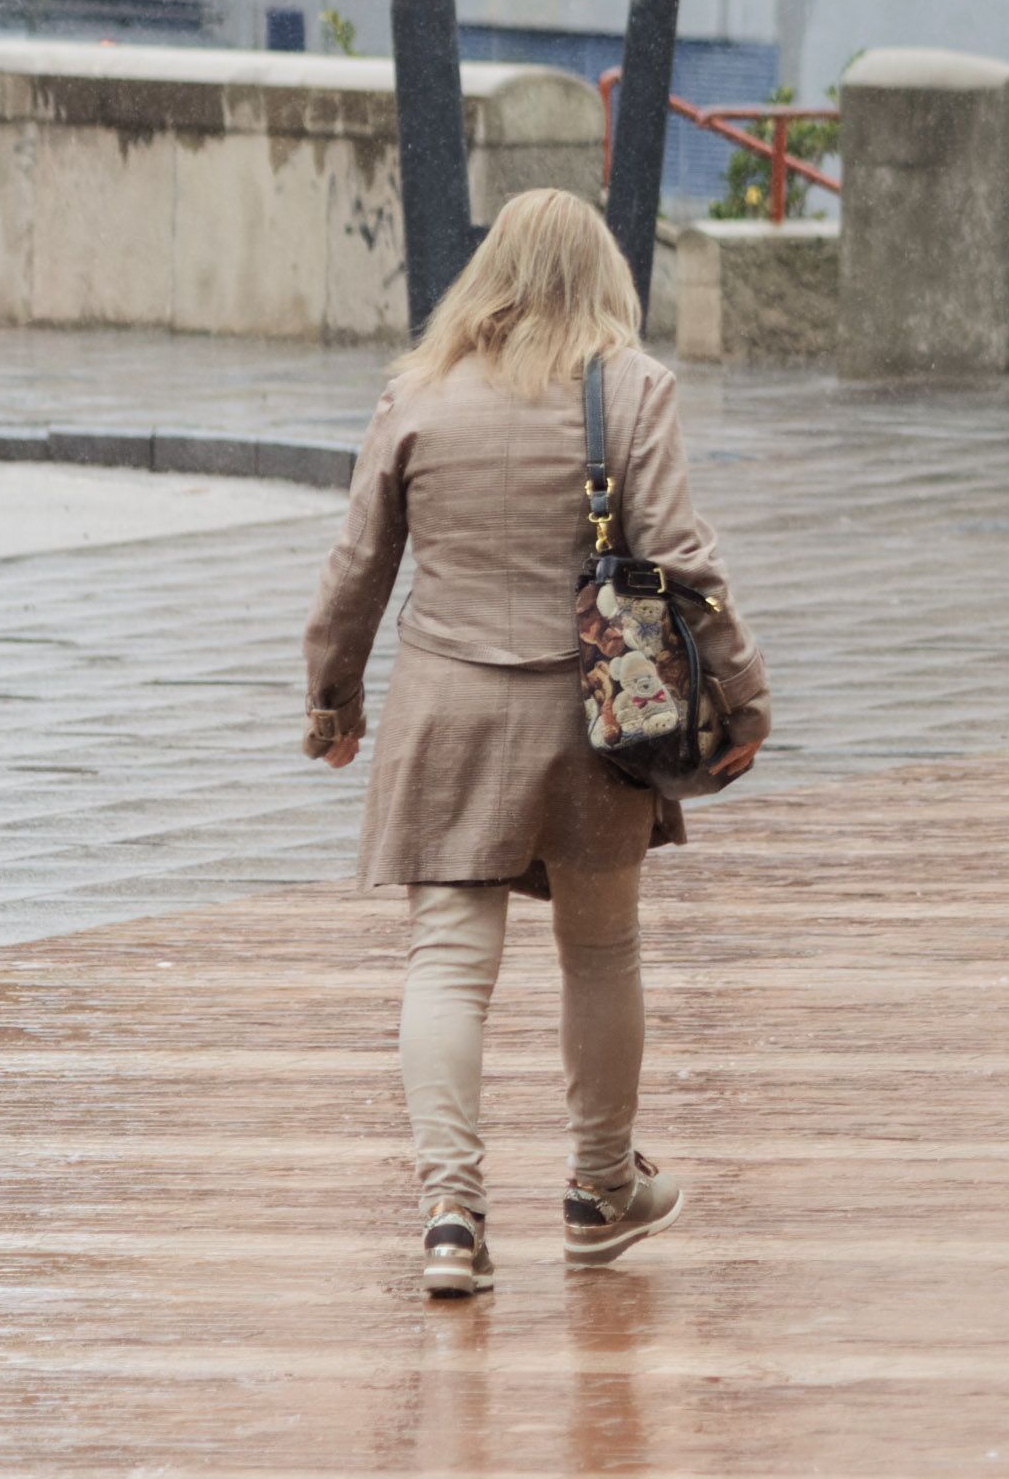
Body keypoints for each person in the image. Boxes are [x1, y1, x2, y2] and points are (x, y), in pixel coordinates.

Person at [303, 189, 769, 1299]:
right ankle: (600, 1192)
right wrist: (743, 695)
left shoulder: (417, 392)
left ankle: (451, 1216)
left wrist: (333, 698)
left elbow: (357, 562)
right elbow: (683, 564)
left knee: (447, 963)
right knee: (601, 952)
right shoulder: (631, 390)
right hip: (593, 719)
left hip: (444, 711)